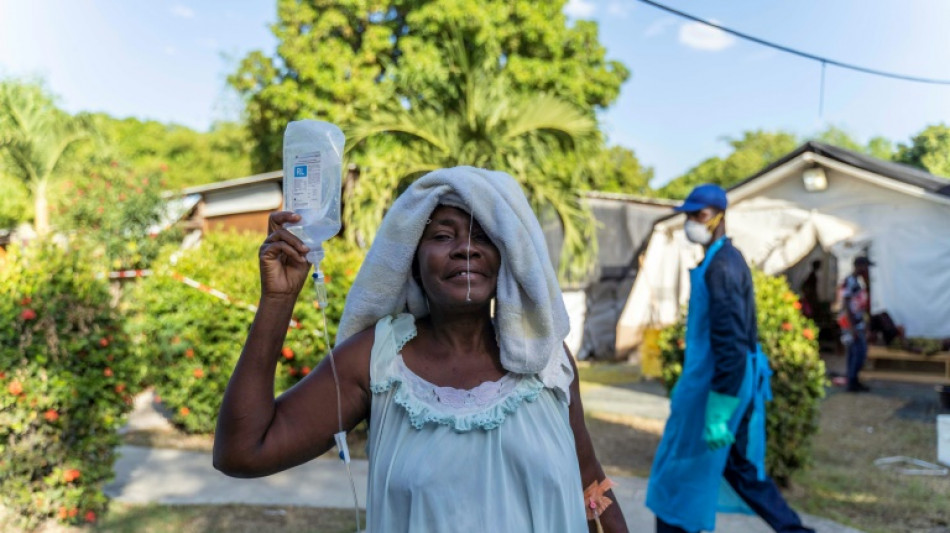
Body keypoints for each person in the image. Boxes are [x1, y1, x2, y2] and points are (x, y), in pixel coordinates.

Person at [213, 167, 627, 532]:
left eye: (485, 236)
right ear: (411, 261)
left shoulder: (547, 362)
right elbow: (243, 451)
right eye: (443, 235)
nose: (466, 248)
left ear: (510, 259)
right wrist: (277, 300)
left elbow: (590, 485)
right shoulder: (377, 360)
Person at [646, 184, 814, 533]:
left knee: (680, 475)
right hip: (725, 382)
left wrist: (719, 412)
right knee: (739, 469)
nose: (692, 222)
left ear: (720, 216)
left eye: (700, 215)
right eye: (689, 215)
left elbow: (732, 343)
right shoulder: (721, 259)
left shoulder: (722, 266)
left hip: (716, 388)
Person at [838, 256, 873, 393]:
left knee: (857, 352)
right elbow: (846, 305)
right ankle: (852, 382)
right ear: (859, 266)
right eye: (866, 266)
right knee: (858, 352)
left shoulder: (859, 282)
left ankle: (854, 380)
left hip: (857, 323)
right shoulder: (849, 281)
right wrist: (852, 328)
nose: (867, 269)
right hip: (850, 324)